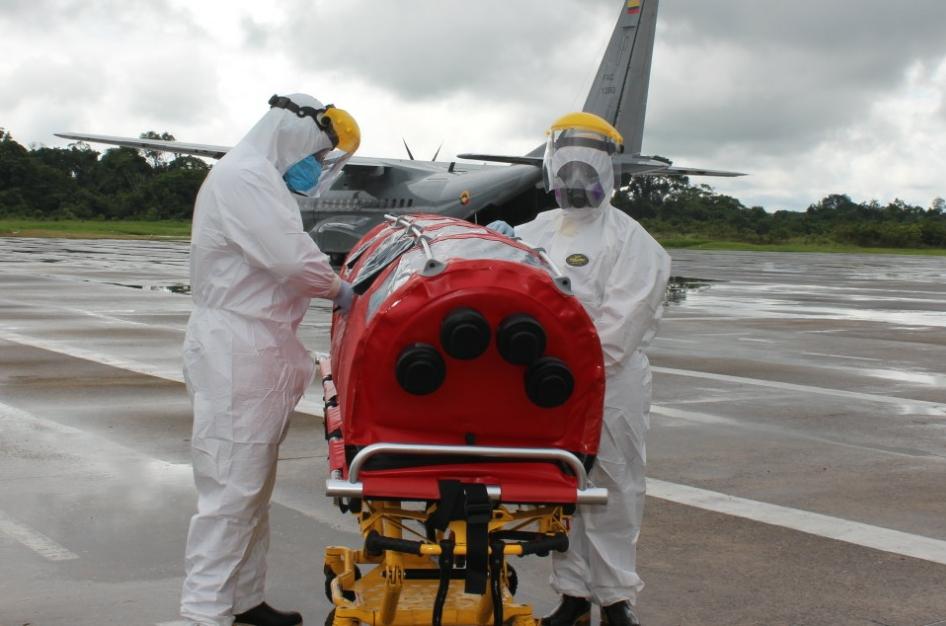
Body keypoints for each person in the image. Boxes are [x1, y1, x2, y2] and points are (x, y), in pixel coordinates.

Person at [180, 93, 359, 626]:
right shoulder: (245, 177)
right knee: (231, 490)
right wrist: (337, 287)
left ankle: (244, 602)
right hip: (237, 346)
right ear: (296, 132)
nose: (318, 166)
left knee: (251, 489)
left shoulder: (259, 178)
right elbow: (288, 256)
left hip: (257, 345)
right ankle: (203, 613)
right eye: (319, 152)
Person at [489, 112, 670, 626]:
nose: (572, 185)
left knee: (613, 487)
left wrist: (569, 368)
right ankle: (572, 595)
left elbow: (621, 325)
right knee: (561, 488)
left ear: (605, 176)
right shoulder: (536, 230)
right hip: (549, 386)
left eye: (582, 174)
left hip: (609, 386)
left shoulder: (634, 242)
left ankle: (616, 600)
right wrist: (493, 239)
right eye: (564, 172)